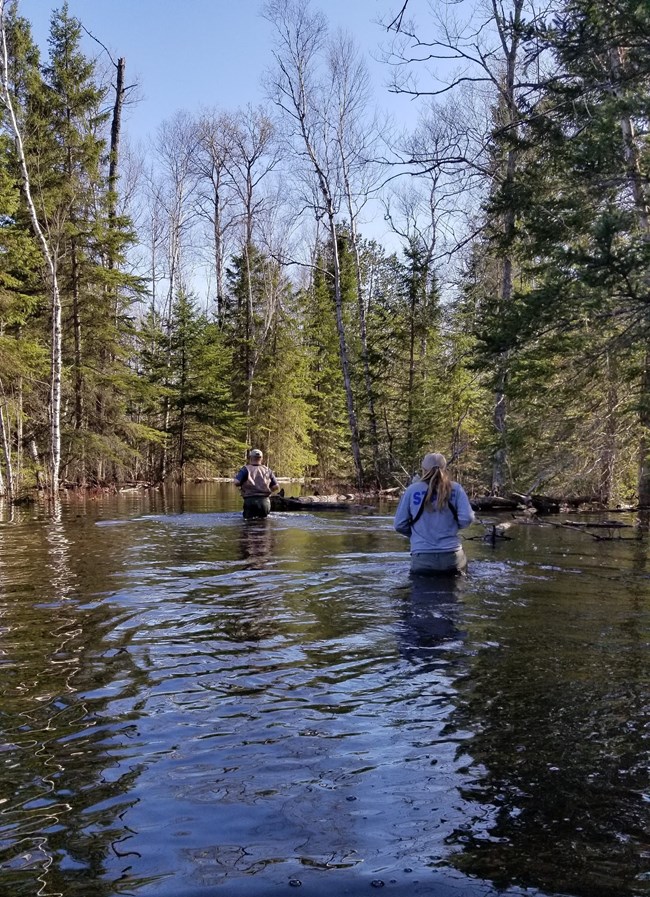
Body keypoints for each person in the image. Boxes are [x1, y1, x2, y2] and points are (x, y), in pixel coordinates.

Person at [394, 452, 475, 575]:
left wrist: (417, 535)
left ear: (423, 470)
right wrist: (451, 528)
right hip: (452, 557)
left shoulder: (412, 490)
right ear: (445, 469)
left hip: (422, 557)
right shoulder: (456, 489)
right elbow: (467, 518)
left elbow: (399, 525)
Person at [234, 449, 280, 519]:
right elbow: (276, 486)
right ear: (261, 458)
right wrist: (268, 490)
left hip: (250, 501)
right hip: (265, 502)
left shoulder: (245, 469)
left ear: (251, 458)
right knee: (264, 525)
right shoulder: (267, 470)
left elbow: (236, 482)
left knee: (248, 525)